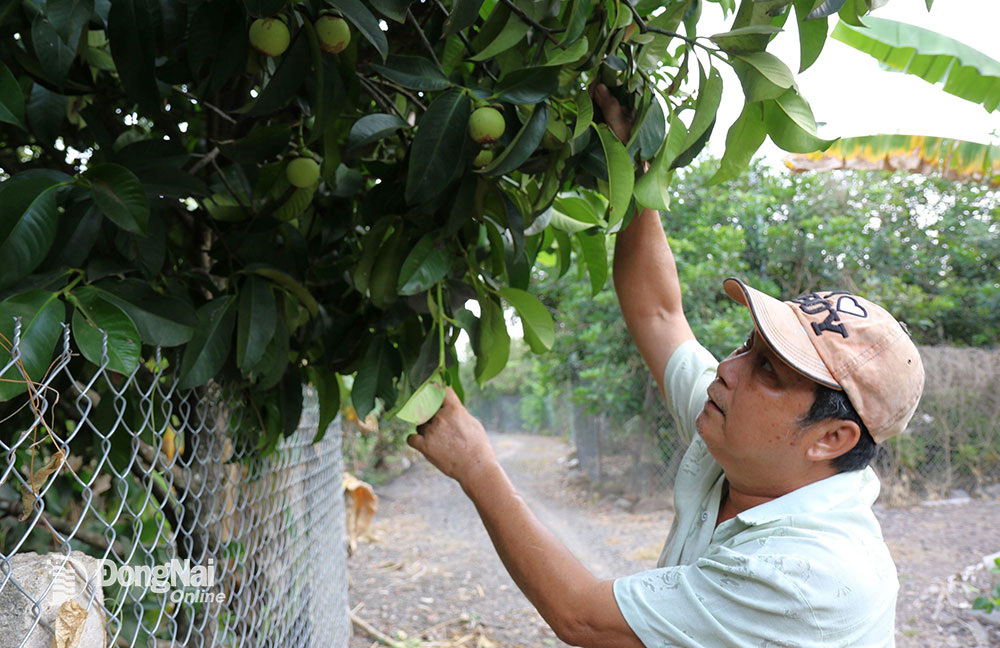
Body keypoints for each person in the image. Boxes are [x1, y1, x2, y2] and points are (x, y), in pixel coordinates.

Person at [406, 85, 925, 647]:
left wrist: (476, 465)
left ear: (831, 437)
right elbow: (658, 314)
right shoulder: (746, 443)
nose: (730, 368)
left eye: (770, 372)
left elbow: (582, 617)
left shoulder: (810, 574)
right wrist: (633, 161)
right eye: (747, 346)